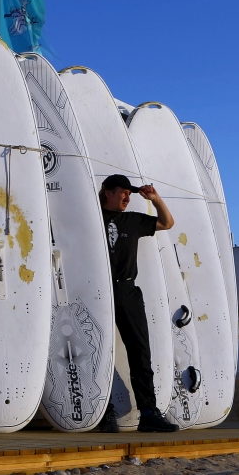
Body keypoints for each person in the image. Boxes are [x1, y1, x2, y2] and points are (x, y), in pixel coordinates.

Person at [97, 174, 179, 433]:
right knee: (99, 351)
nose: (127, 197)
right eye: (123, 192)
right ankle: (103, 411)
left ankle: (148, 412)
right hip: (98, 290)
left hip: (127, 289)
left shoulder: (132, 220)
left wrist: (154, 198)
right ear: (108, 192)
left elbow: (167, 223)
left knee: (140, 353)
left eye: (129, 194)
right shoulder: (91, 216)